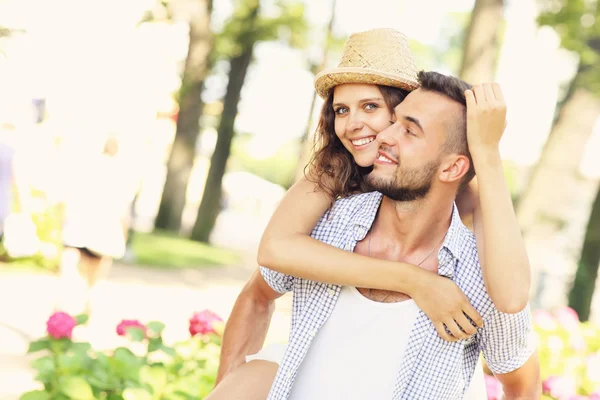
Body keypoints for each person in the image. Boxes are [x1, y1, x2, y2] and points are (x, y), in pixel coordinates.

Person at [210, 29, 536, 399]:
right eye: (340, 110)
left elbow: (510, 301)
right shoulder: (331, 186)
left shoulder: (470, 211)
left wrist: (487, 152)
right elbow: (274, 253)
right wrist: (417, 281)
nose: (355, 126)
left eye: (372, 108)